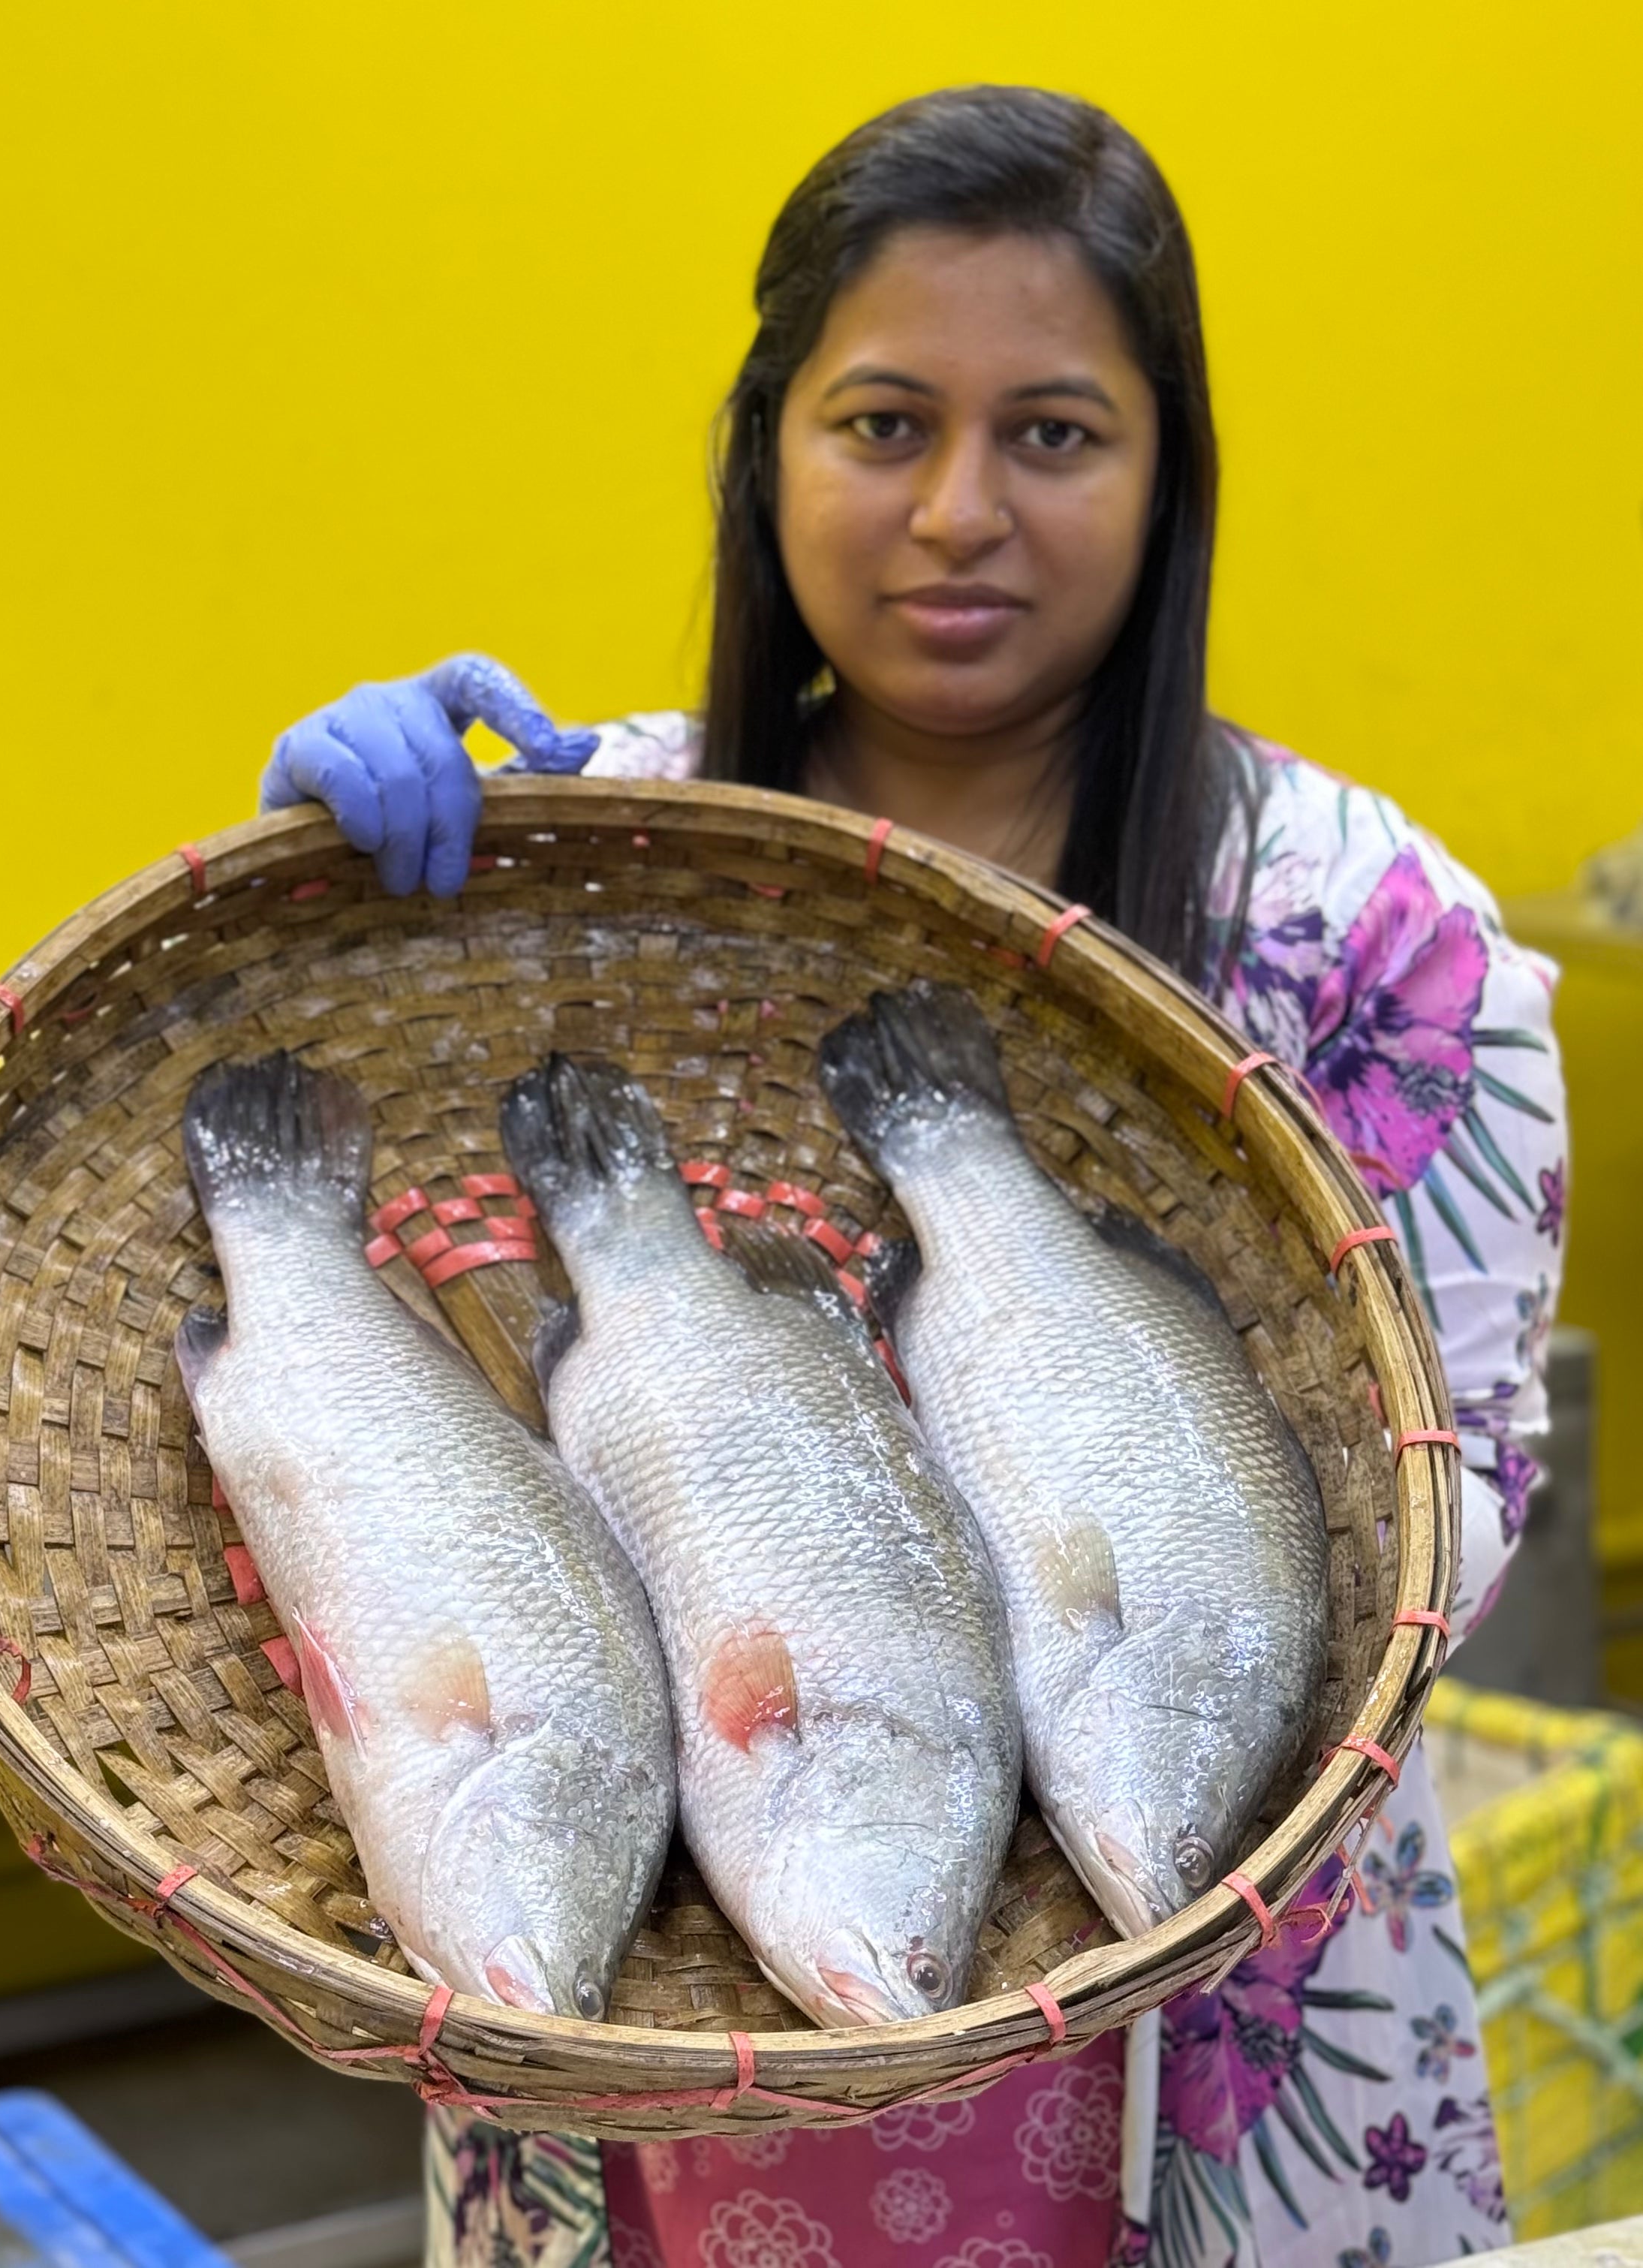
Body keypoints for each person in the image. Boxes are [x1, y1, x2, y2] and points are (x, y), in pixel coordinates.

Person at [258, 86, 1563, 2268]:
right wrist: (336, 883)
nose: (956, 509)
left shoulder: (1371, 939)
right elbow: (404, 1360)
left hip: (1224, 2053)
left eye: (1051, 433)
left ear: (1168, 478)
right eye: (880, 424)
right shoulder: (586, 859)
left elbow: (1464, 1484)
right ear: (765, 447)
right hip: (668, 2063)